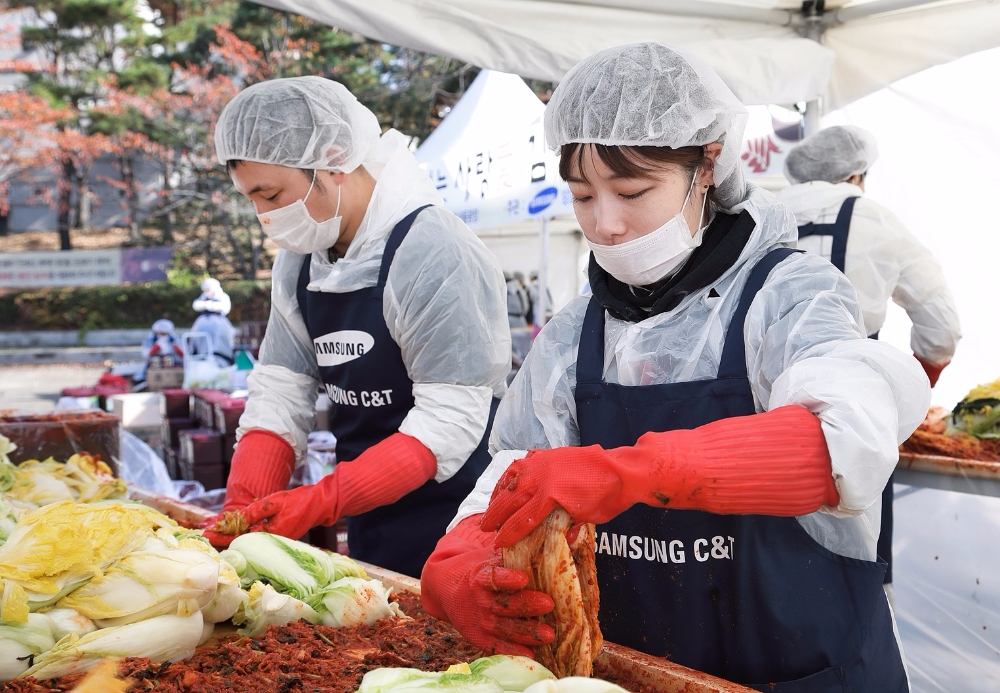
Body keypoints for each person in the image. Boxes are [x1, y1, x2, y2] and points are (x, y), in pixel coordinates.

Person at [420, 43, 929, 692]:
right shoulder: (575, 334)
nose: (604, 224)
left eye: (632, 190)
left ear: (708, 164)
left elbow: (839, 443)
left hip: (807, 673)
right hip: (641, 671)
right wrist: (460, 552)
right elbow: (512, 473)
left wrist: (625, 472)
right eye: (581, 196)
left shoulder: (791, 296)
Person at [202, 77, 510, 578]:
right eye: (251, 199)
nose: (263, 216)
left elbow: (449, 420)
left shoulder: (432, 251)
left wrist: (323, 499)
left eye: (272, 194)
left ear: (333, 159)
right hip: (372, 516)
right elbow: (280, 392)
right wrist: (243, 508)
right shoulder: (300, 263)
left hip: (460, 523)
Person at [779, 126, 962, 589]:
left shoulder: (762, 214)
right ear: (856, 175)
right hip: (853, 414)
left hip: (756, 411)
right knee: (857, 566)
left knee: (767, 567)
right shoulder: (876, 218)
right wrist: (913, 391)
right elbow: (940, 325)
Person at [190, 277, 236, 365]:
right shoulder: (203, 296)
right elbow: (196, 305)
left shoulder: (223, 296)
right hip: (203, 322)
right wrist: (206, 305)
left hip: (219, 323)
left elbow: (225, 307)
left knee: (220, 339)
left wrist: (209, 305)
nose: (207, 292)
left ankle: (220, 356)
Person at [133, 318, 183, 383]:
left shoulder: (173, 339)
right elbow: (145, 354)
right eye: (161, 333)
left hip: (172, 365)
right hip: (154, 365)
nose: (163, 336)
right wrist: (155, 348)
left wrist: (176, 348)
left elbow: (182, 355)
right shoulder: (151, 339)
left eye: (165, 334)